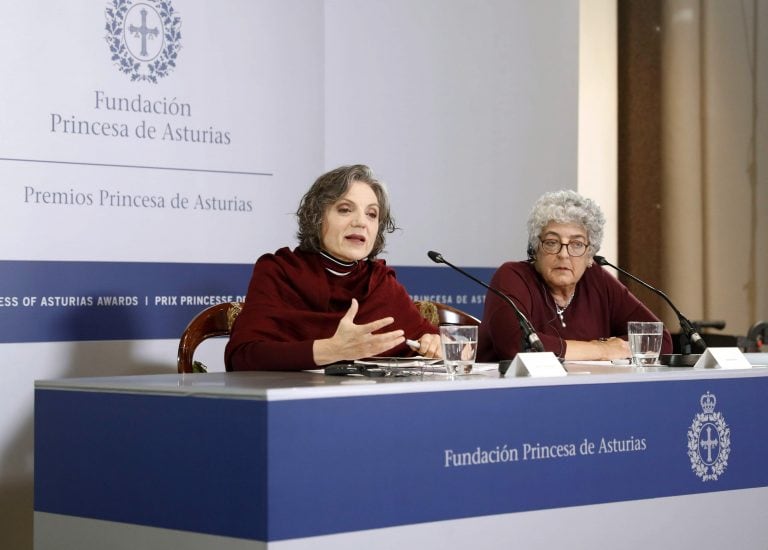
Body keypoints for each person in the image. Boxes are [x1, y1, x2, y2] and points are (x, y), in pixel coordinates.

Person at [225, 164, 441, 371]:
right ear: (317, 218)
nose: (361, 222)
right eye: (345, 209)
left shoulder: (380, 283)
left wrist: (435, 344)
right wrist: (330, 350)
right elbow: (243, 356)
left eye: (372, 214)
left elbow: (430, 339)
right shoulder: (279, 272)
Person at [477, 189, 672, 362]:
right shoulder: (512, 277)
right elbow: (517, 346)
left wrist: (610, 348)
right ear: (535, 249)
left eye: (577, 244)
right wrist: (601, 349)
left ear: (590, 255)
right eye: (552, 242)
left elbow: (658, 338)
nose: (563, 254)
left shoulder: (597, 279)